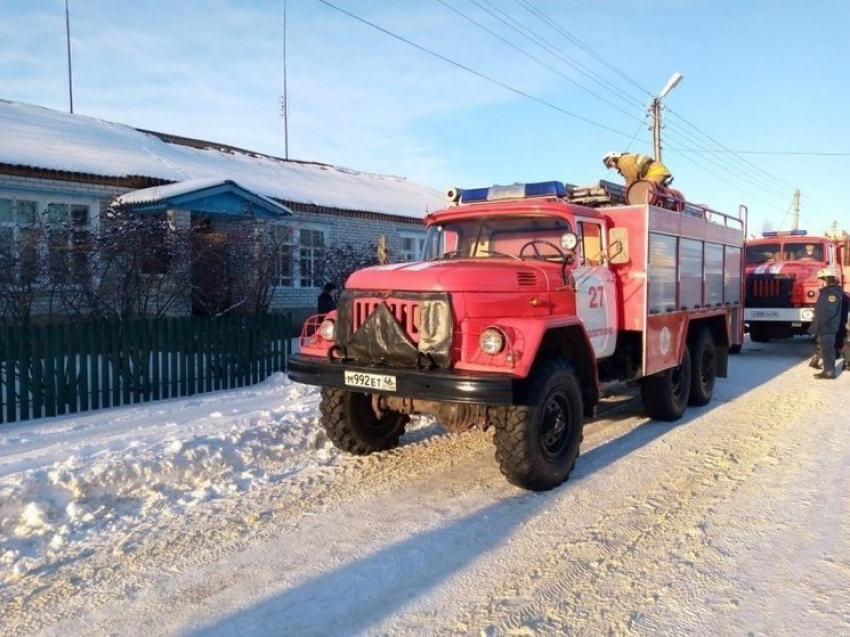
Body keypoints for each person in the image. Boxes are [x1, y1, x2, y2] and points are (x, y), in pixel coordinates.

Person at [808, 268, 844, 379]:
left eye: (820, 279)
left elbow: (830, 311)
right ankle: (827, 371)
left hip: (828, 327)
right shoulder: (827, 291)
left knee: (828, 351)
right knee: (825, 350)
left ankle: (829, 372)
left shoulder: (831, 293)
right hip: (825, 326)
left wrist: (819, 323)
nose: (818, 281)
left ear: (827, 279)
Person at [602, 151, 673, 187]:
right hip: (655, 172)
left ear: (615, 157)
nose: (612, 166)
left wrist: (622, 190)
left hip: (655, 172)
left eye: (610, 163)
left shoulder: (624, 162)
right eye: (609, 165)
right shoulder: (626, 160)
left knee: (643, 192)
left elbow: (631, 180)